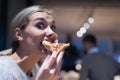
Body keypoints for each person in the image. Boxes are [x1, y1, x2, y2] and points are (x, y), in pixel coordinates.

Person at [0, 5, 65, 80]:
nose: (52, 32)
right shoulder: (3, 69)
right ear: (19, 34)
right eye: (40, 25)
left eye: (53, 27)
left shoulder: (36, 69)